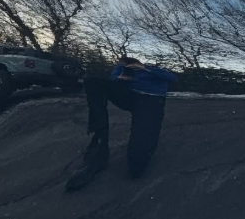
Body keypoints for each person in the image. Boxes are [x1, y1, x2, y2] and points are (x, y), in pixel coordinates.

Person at [66, 57, 176, 192]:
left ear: (139, 63)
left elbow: (171, 78)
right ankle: (99, 150)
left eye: (130, 64)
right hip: (129, 95)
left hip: (151, 101)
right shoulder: (123, 68)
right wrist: (121, 76)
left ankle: (138, 159)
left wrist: (145, 69)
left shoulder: (152, 68)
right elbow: (114, 78)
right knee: (93, 82)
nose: (127, 66)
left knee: (137, 166)